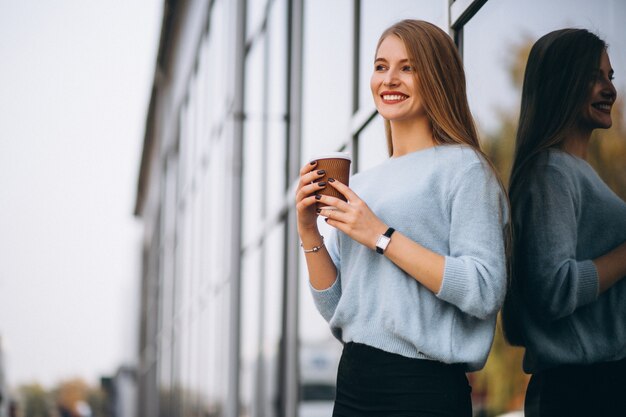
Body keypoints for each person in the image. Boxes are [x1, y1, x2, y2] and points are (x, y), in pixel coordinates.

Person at [295, 19, 509, 417]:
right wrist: (308, 230)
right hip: (354, 384)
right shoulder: (361, 183)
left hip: (423, 390)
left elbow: (485, 289)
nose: (389, 79)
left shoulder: (465, 169)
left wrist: (380, 235)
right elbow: (338, 307)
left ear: (438, 78)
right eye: (381, 66)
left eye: (408, 67)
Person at [502, 28, 626, 416]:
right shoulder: (551, 171)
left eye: (610, 76)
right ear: (560, 83)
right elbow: (553, 291)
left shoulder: (573, 171)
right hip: (582, 391)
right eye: (593, 77)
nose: (608, 89)